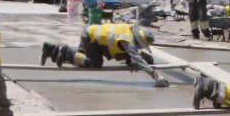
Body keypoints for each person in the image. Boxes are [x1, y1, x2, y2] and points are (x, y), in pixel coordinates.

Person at [39, 24, 169, 87]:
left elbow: (128, 54)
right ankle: (63, 50)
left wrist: (131, 62)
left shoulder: (131, 29)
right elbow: (136, 57)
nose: (140, 48)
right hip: (91, 38)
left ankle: (51, 49)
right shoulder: (127, 39)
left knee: (81, 57)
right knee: (94, 64)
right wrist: (156, 76)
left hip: (96, 38)